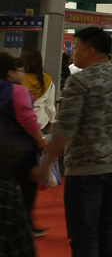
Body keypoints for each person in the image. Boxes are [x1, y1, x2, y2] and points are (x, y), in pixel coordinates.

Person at [32, 27, 112, 257]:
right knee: (107, 224)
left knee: (84, 234)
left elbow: (65, 127)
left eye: (77, 48)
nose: (73, 53)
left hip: (85, 168)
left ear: (90, 51)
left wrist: (47, 162)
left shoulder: (79, 81)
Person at [1, 52, 51, 241]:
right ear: (11, 73)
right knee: (28, 186)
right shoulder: (18, 91)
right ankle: (24, 224)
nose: (23, 74)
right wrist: (40, 138)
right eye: (20, 71)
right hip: (18, 149)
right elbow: (27, 118)